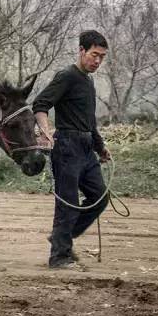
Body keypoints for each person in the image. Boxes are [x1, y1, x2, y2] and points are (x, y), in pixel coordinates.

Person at [33, 30, 112, 269]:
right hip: (66, 146)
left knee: (100, 197)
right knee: (67, 202)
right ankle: (59, 257)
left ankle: (61, 238)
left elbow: (89, 120)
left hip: (86, 148)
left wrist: (100, 147)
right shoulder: (66, 76)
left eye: (102, 57)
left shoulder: (88, 81)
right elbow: (40, 104)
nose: (97, 61)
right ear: (81, 51)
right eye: (94, 55)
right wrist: (46, 132)